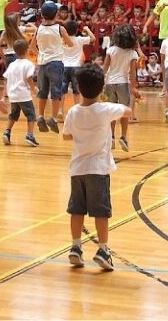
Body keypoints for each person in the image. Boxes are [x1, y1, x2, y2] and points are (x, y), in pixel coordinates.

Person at [62, 63, 132, 271]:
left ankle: (75, 247)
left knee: (77, 210)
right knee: (101, 212)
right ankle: (103, 249)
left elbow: (66, 136)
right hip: (99, 170)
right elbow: (127, 111)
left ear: (79, 86)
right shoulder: (105, 109)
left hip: (77, 170)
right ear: (101, 88)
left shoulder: (73, 111)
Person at [30, 1, 73, 133]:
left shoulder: (39, 29)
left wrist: (41, 54)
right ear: (56, 14)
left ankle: (41, 116)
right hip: (56, 63)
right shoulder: (60, 29)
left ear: (42, 14)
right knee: (56, 92)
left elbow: (31, 47)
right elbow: (70, 43)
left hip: (42, 63)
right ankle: (53, 118)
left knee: (42, 92)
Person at [102, 24, 140, 152]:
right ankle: (123, 137)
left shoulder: (111, 50)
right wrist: (133, 88)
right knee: (124, 111)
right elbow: (132, 73)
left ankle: (111, 137)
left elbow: (105, 68)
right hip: (123, 83)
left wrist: (101, 82)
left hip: (109, 83)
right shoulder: (133, 53)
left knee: (110, 111)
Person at [1, 39, 39, 148]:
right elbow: (29, 78)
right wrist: (33, 89)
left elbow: (6, 79)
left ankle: (7, 132)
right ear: (27, 50)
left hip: (13, 94)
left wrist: (5, 95)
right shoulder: (28, 64)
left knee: (13, 114)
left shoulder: (12, 64)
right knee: (31, 115)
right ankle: (30, 135)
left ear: (15, 51)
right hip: (23, 94)